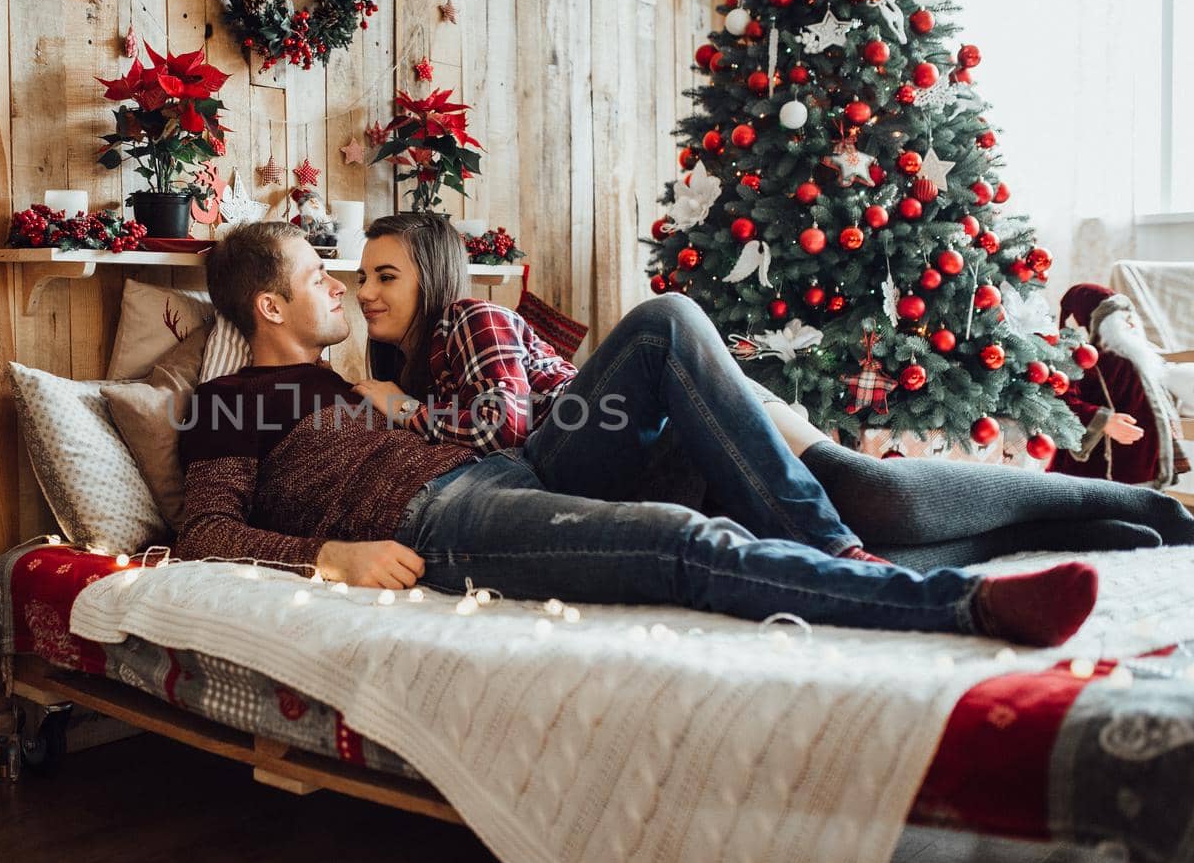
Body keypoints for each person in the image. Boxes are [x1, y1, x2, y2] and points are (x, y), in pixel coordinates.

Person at [176, 220, 1100, 647]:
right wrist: (331, 557)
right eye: (317, 276)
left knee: (666, 321)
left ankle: (856, 551)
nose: (341, 287)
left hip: (508, 472)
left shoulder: (368, 381)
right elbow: (204, 537)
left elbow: (495, 415)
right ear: (268, 304)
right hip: (439, 520)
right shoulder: (229, 401)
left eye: (361, 276)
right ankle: (955, 607)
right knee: (680, 543)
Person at [349, 213, 1194, 570]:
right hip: (633, 476)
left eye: (385, 275)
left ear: (431, 275)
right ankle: (1103, 526)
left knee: (876, 494)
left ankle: (1146, 511)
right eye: (359, 279)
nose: (367, 292)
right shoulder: (409, 367)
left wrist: (404, 411)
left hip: (584, 459)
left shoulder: (468, 318)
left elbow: (507, 428)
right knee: (885, 513)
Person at [1049, 282, 1188, 488]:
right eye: (1121, 318)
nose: (1131, 324)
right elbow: (1062, 400)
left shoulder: (1140, 355)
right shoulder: (1084, 360)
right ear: (1098, 321)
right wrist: (1102, 421)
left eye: (1130, 315)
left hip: (1146, 459)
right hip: (1108, 466)